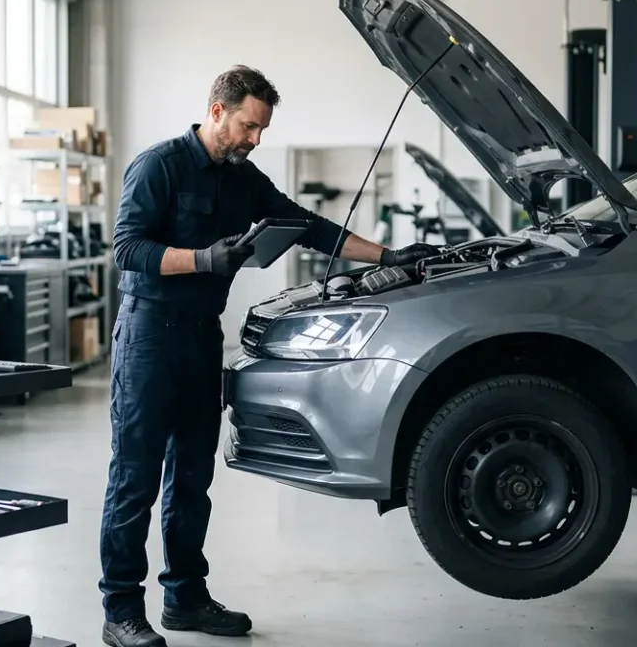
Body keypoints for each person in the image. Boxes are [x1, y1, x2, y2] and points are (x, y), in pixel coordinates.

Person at [98, 65, 440, 647]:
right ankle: (121, 612)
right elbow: (127, 249)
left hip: (202, 338)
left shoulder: (243, 178)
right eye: (248, 127)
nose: (255, 139)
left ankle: (185, 599)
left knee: (192, 477)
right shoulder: (159, 166)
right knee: (135, 477)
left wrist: (389, 256)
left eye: (262, 130)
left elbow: (309, 227)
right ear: (217, 112)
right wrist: (203, 260)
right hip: (148, 338)